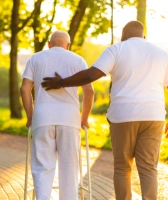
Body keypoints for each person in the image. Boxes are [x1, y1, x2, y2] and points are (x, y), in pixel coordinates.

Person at [41, 21, 168, 200]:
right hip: (153, 117)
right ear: (144, 36)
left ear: (123, 36)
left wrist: (61, 82)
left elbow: (91, 74)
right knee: (148, 168)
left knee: (123, 168)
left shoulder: (116, 49)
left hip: (123, 116)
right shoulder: (162, 54)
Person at [20, 30, 94, 200]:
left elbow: (24, 89)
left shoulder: (36, 58)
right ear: (68, 46)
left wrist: (31, 116)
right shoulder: (77, 60)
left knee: (42, 167)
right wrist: (84, 118)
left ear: (49, 44)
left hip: (43, 117)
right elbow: (89, 91)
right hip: (69, 119)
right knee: (69, 167)